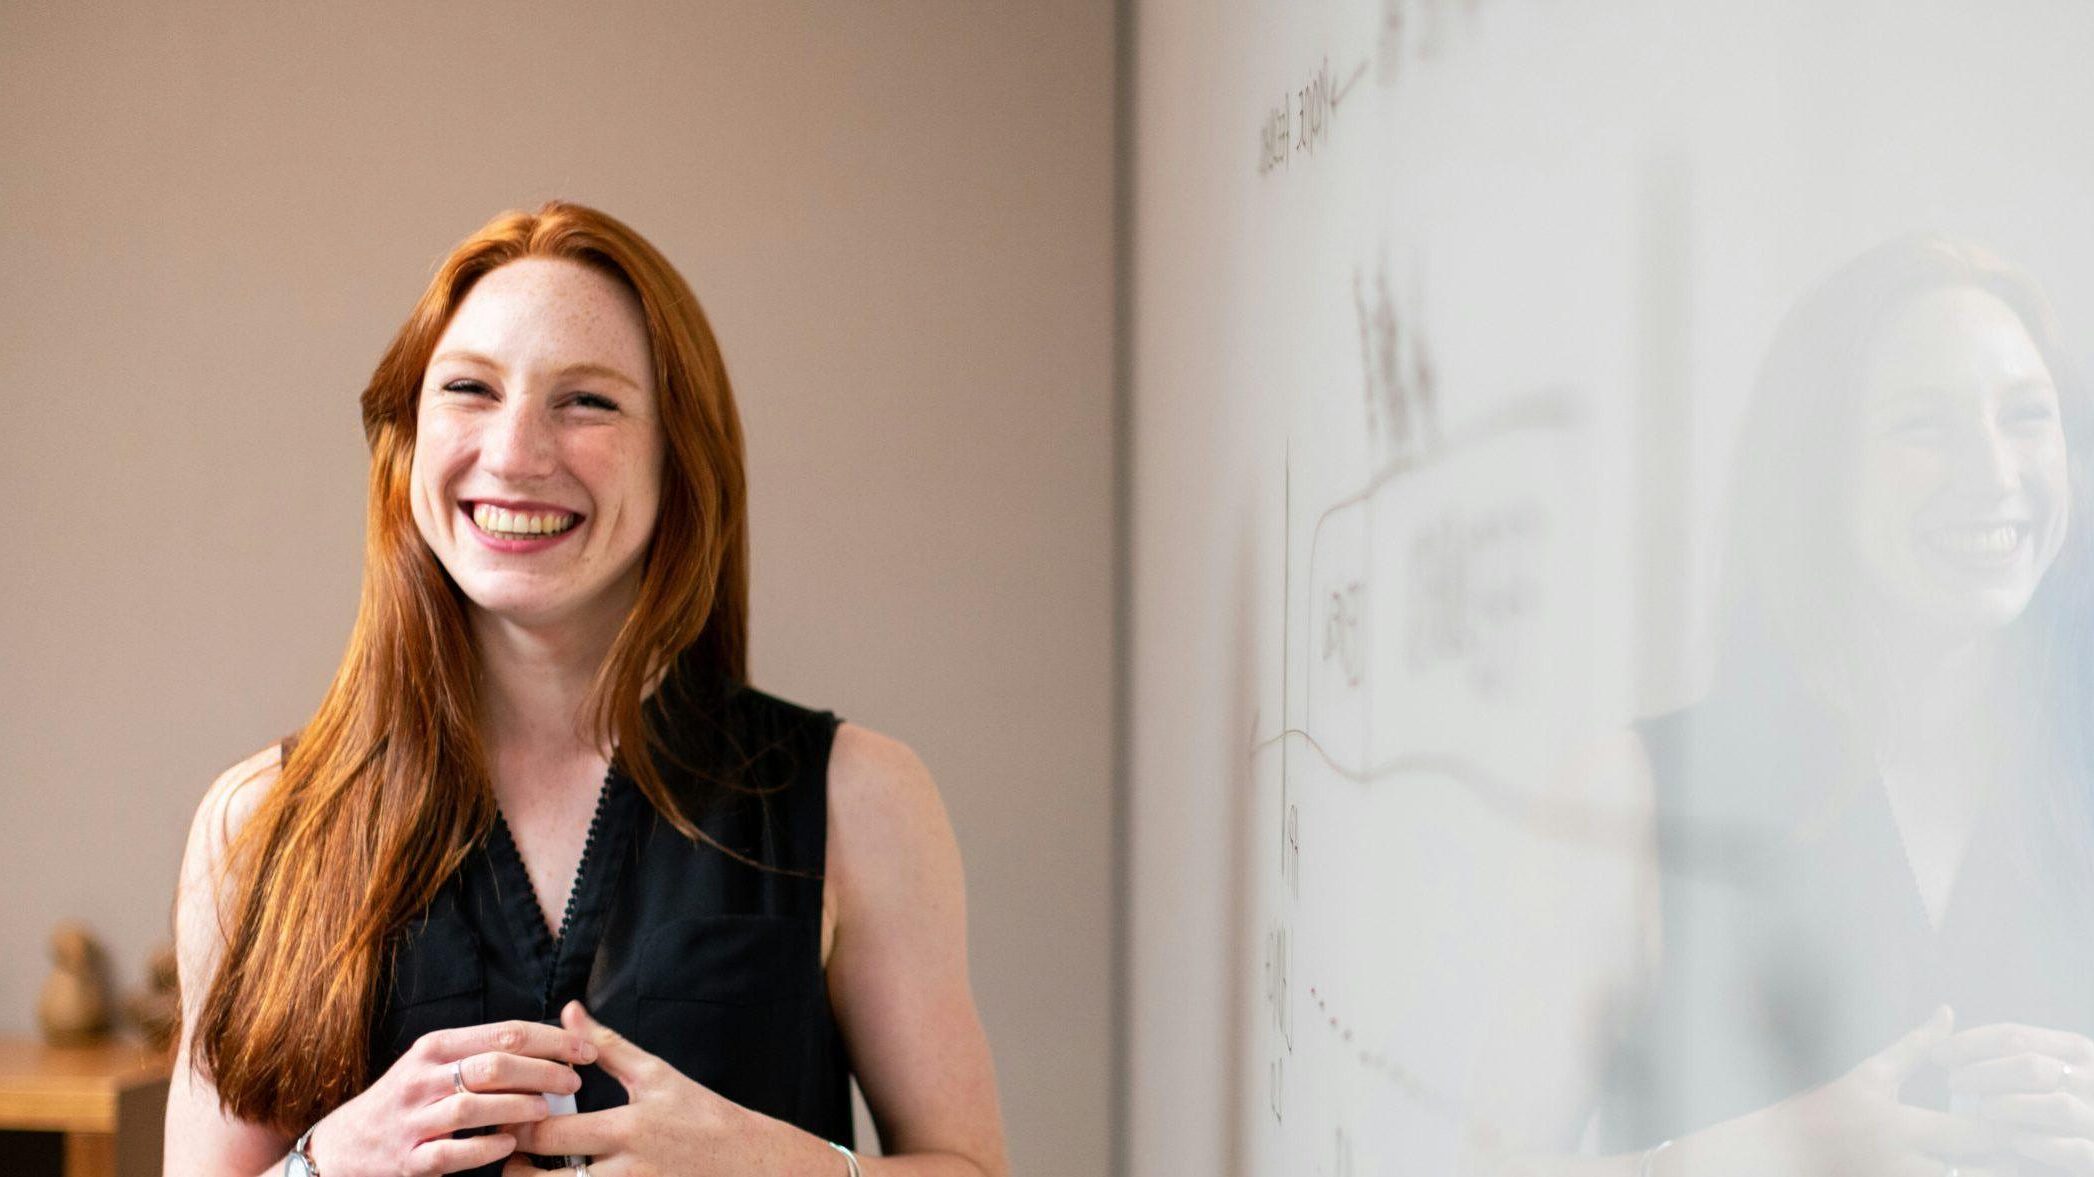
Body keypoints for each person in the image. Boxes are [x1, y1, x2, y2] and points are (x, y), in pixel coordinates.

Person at [164, 201, 1010, 1177]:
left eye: (588, 402)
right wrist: (329, 1166)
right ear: (405, 443)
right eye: (470, 390)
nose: (516, 453)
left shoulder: (860, 797)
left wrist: (781, 1169)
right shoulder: (256, 823)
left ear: (679, 459)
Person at [1589, 234, 2094, 1176]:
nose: (1994, 474)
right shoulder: (1639, 796)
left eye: (2029, 416)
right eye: (1924, 426)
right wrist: (1756, 1153)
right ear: (1816, 473)